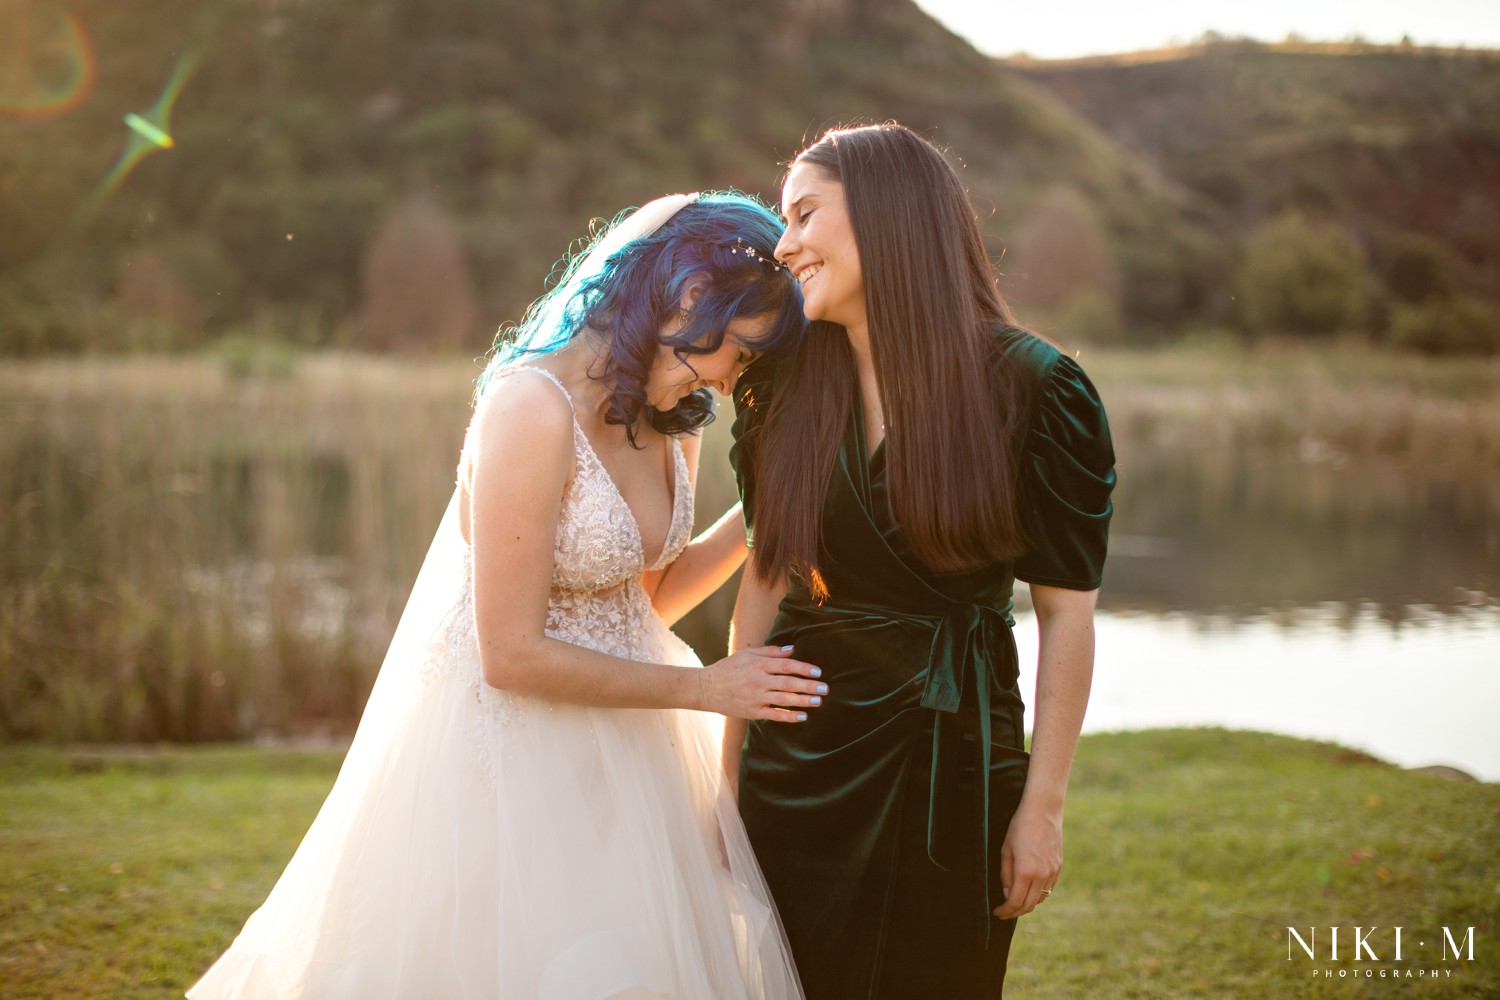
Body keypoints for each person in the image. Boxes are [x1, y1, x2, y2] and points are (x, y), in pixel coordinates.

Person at [188, 192, 821, 1000]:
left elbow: (646, 604)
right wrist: (706, 688)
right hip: (514, 750)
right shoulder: (528, 408)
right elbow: (511, 655)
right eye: (735, 349)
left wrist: (765, 512)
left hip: (633, 750)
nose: (732, 378)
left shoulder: (674, 418)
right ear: (688, 298)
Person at [724, 123, 1117, 998]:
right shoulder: (785, 384)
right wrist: (727, 773)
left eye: (803, 214)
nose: (783, 244)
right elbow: (765, 575)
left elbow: (1066, 614)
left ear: (888, 215)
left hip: (956, 754)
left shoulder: (1037, 390)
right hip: (799, 753)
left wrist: (1042, 807)